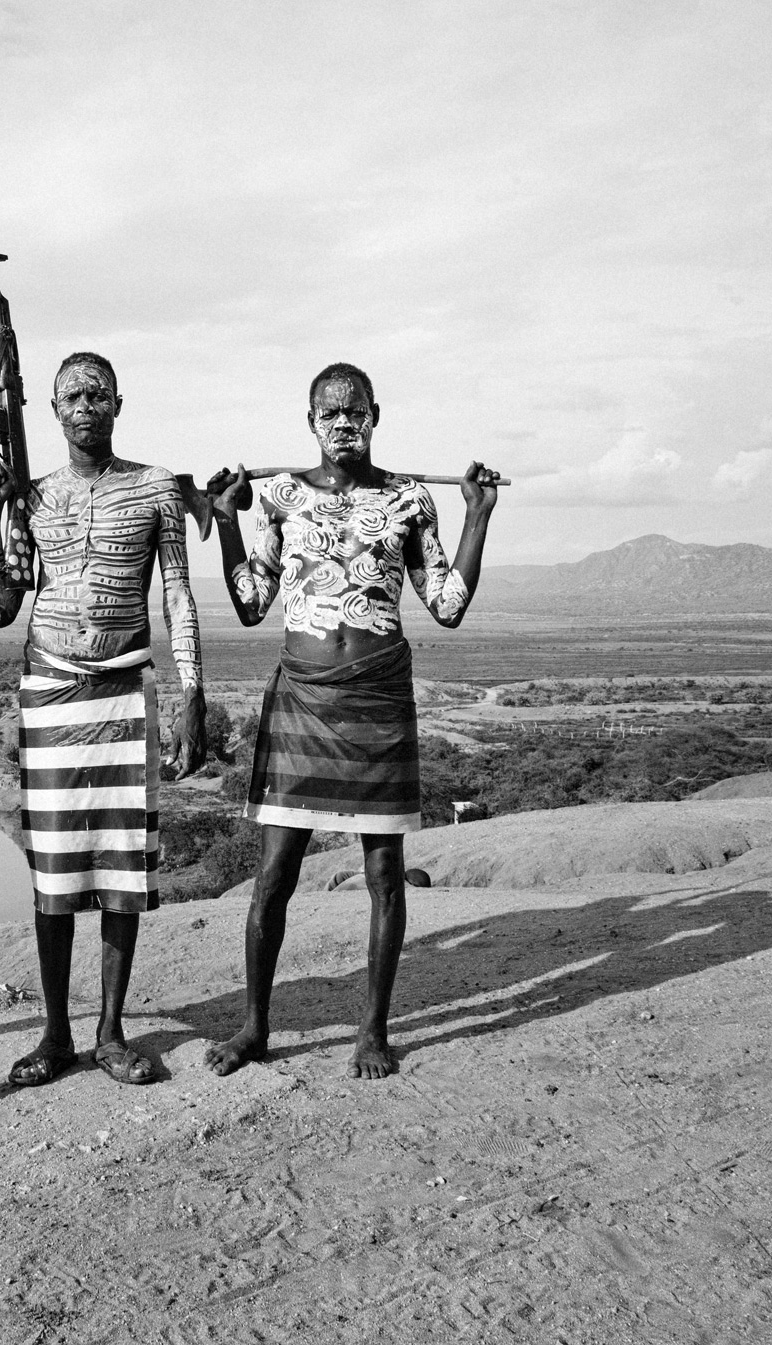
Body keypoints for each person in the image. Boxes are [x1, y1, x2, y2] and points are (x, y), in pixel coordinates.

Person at [201, 362, 499, 1080]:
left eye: (354, 411)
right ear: (310, 422)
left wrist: (477, 514)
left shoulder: (408, 499)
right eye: (329, 413)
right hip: (303, 697)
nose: (343, 424)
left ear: (375, 414)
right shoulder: (280, 496)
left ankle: (372, 1032)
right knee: (273, 875)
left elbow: (448, 603)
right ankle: (255, 1025)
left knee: (385, 874)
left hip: (376, 699)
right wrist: (228, 522)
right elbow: (248, 604)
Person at [0, 351, 204, 1087]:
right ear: (50, 409)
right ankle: (53, 1033)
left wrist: (190, 689)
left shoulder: (156, 488)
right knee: (55, 872)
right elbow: (3, 606)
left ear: (118, 403)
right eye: (72, 395)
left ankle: (109, 1031)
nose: (85, 405)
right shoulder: (31, 499)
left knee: (120, 870)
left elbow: (177, 593)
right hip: (48, 689)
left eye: (97, 394)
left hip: (121, 690)